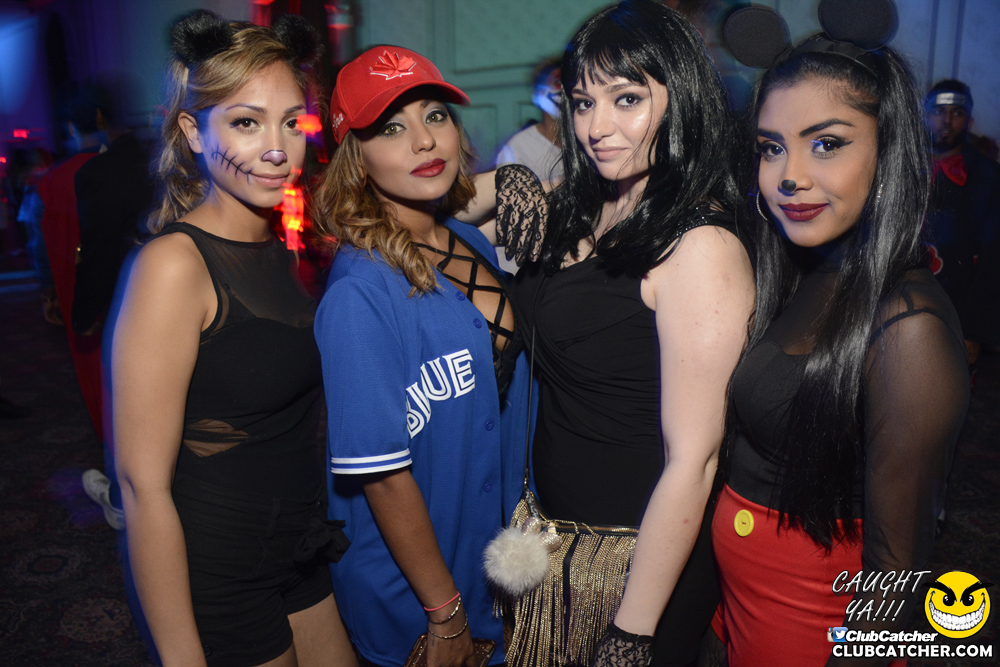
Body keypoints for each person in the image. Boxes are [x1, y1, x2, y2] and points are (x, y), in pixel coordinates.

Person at [711, 7, 970, 665]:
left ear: (888, 152)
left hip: (814, 633)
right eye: (772, 146)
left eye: (826, 143)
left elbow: (895, 572)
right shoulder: (798, 270)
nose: (790, 174)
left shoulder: (908, 328)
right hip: (739, 615)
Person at [512, 1, 755, 663]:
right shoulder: (588, 201)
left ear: (681, 98)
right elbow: (453, 201)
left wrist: (632, 632)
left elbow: (694, 460)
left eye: (627, 99)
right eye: (582, 103)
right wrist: (501, 181)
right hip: (560, 539)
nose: (598, 127)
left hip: (635, 562)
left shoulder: (698, 246)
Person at [111, 12, 355, 666]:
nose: (278, 148)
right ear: (193, 132)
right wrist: (181, 656)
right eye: (247, 122)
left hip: (299, 545)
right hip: (221, 569)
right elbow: (141, 486)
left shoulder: (283, 249)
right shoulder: (173, 266)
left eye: (292, 122)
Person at [312, 46, 534, 667]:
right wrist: (445, 612)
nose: (424, 140)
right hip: (419, 593)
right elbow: (381, 475)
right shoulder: (360, 293)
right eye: (391, 128)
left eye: (435, 115)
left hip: (489, 555)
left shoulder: (462, 238)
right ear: (356, 158)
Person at [923, 79, 1000, 367]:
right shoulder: (902, 166)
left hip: (957, 311)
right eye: (938, 111)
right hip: (897, 301)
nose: (946, 121)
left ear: (969, 121)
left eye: (956, 112)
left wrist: (975, 331)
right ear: (925, 115)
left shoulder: (989, 177)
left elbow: (993, 259)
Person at [496, 57, 564, 184]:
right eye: (558, 82)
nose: (563, 92)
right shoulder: (517, 149)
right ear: (537, 94)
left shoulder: (587, 141)